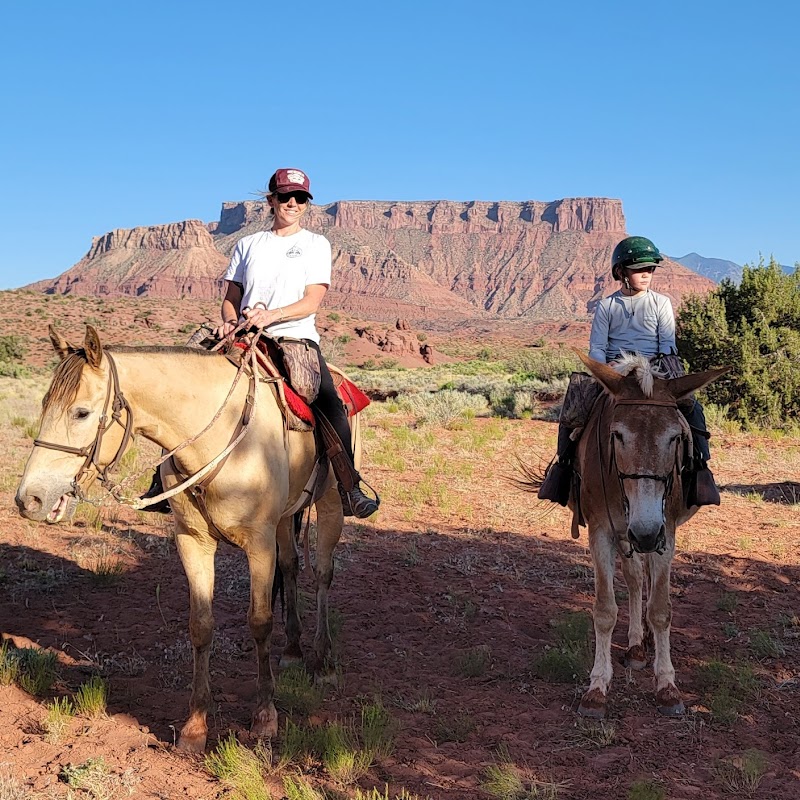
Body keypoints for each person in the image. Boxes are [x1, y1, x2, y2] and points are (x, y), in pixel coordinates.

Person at [142, 168, 379, 518]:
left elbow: (312, 300)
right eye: (285, 197)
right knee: (185, 387)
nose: (293, 203)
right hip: (246, 336)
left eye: (300, 198)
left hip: (296, 338)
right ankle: (163, 481)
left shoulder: (316, 244)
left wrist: (273, 315)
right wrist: (228, 321)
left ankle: (348, 485)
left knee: (327, 400)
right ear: (271, 201)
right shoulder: (247, 244)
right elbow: (230, 297)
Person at [537, 235, 720, 508]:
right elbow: (597, 347)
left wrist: (654, 369)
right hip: (616, 371)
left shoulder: (661, 303)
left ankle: (700, 468)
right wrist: (606, 368)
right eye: (638, 269)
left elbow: (667, 345)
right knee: (573, 407)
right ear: (621, 272)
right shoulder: (607, 305)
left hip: (655, 369)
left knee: (692, 407)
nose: (646, 274)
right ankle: (564, 469)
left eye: (650, 268)